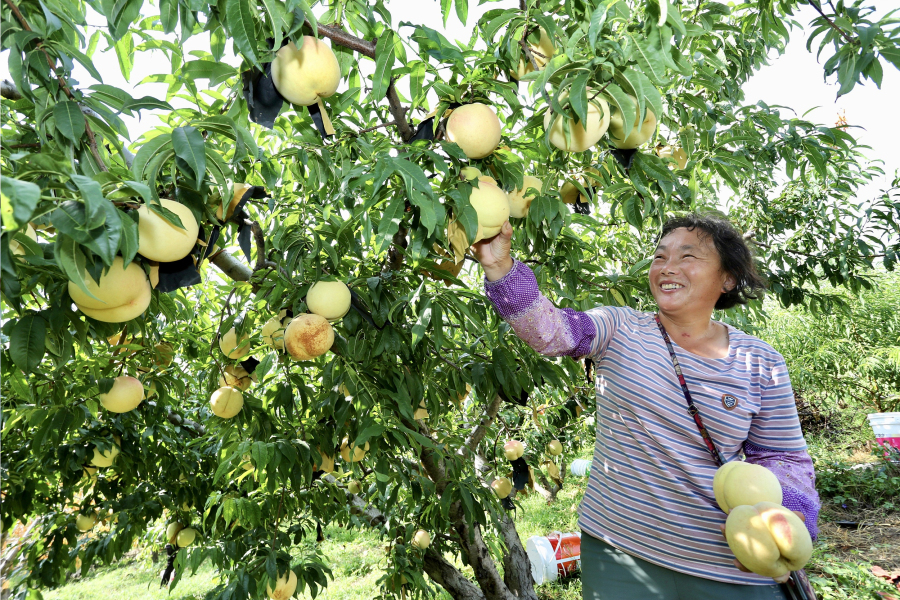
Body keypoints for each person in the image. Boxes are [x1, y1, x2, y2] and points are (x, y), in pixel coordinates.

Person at [473, 213, 820, 600]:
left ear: (728, 278)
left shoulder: (760, 361)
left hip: (728, 565)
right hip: (618, 553)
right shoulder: (621, 328)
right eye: (659, 257)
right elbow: (554, 332)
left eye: (688, 256)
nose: (667, 268)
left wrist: (789, 516)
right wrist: (498, 266)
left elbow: (783, 457)